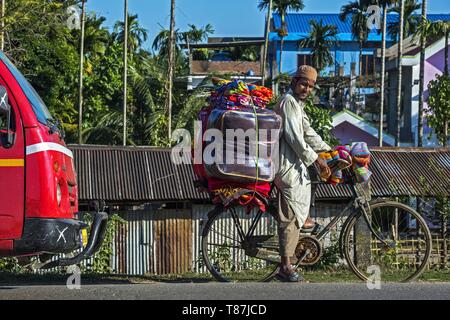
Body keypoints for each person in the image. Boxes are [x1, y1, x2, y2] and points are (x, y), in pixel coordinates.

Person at [273, 65, 332, 282]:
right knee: (289, 217)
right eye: (303, 84)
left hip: (294, 165)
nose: (306, 89)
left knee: (297, 210)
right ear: (294, 82)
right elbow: (295, 138)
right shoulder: (288, 102)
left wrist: (330, 150)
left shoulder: (298, 105)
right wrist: (315, 158)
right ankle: (285, 266)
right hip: (285, 166)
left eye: (310, 86)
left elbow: (308, 133)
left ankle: (304, 224)